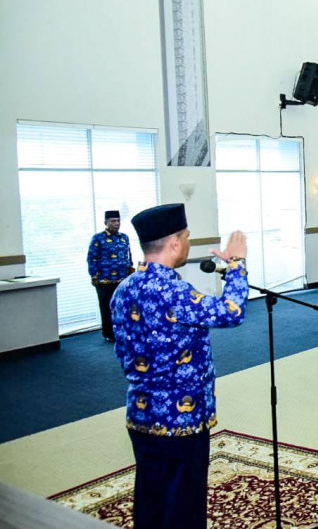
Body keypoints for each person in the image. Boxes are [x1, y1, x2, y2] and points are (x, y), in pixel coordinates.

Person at [111, 203, 249, 529]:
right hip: (180, 419)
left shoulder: (123, 289)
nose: (188, 242)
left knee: (151, 497)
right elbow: (232, 311)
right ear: (174, 243)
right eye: (186, 236)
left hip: (142, 414)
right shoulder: (172, 291)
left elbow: (122, 352)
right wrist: (237, 265)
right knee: (183, 507)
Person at [87, 210, 134, 343]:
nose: (116, 223)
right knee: (106, 307)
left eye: (118, 221)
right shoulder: (98, 238)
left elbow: (128, 255)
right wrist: (94, 275)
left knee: (122, 306)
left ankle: (122, 331)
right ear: (105, 223)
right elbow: (92, 258)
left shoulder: (124, 237)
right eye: (113, 221)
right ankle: (109, 334)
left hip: (122, 279)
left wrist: (130, 271)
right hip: (104, 280)